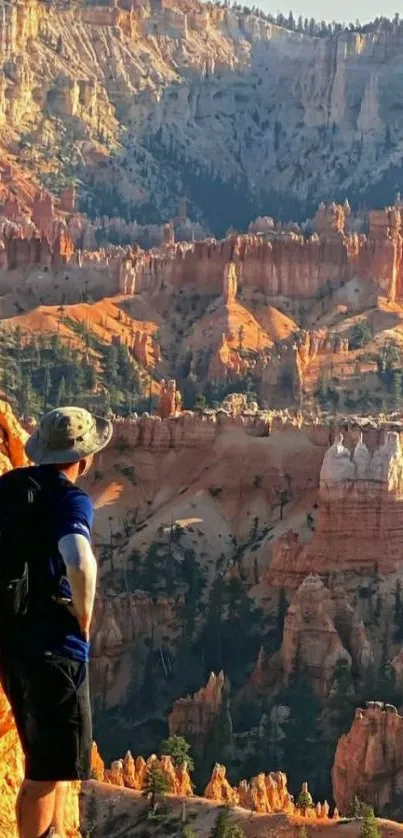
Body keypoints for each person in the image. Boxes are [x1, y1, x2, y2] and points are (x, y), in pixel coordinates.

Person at [0, 406, 113, 838]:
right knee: (45, 771)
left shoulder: (9, 487)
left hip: (13, 640)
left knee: (56, 759)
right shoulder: (70, 498)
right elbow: (79, 559)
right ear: (83, 458)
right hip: (55, 648)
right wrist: (82, 617)